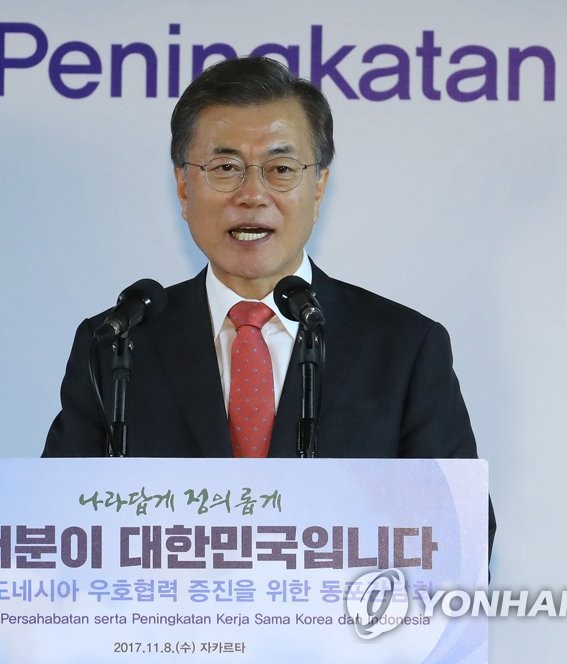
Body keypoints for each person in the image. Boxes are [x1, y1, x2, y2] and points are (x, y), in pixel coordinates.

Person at [42, 56, 494, 549]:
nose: (252, 194)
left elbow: (460, 535)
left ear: (318, 185)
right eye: (225, 168)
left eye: (281, 169)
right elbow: (55, 527)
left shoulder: (403, 348)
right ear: (183, 187)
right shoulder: (116, 344)